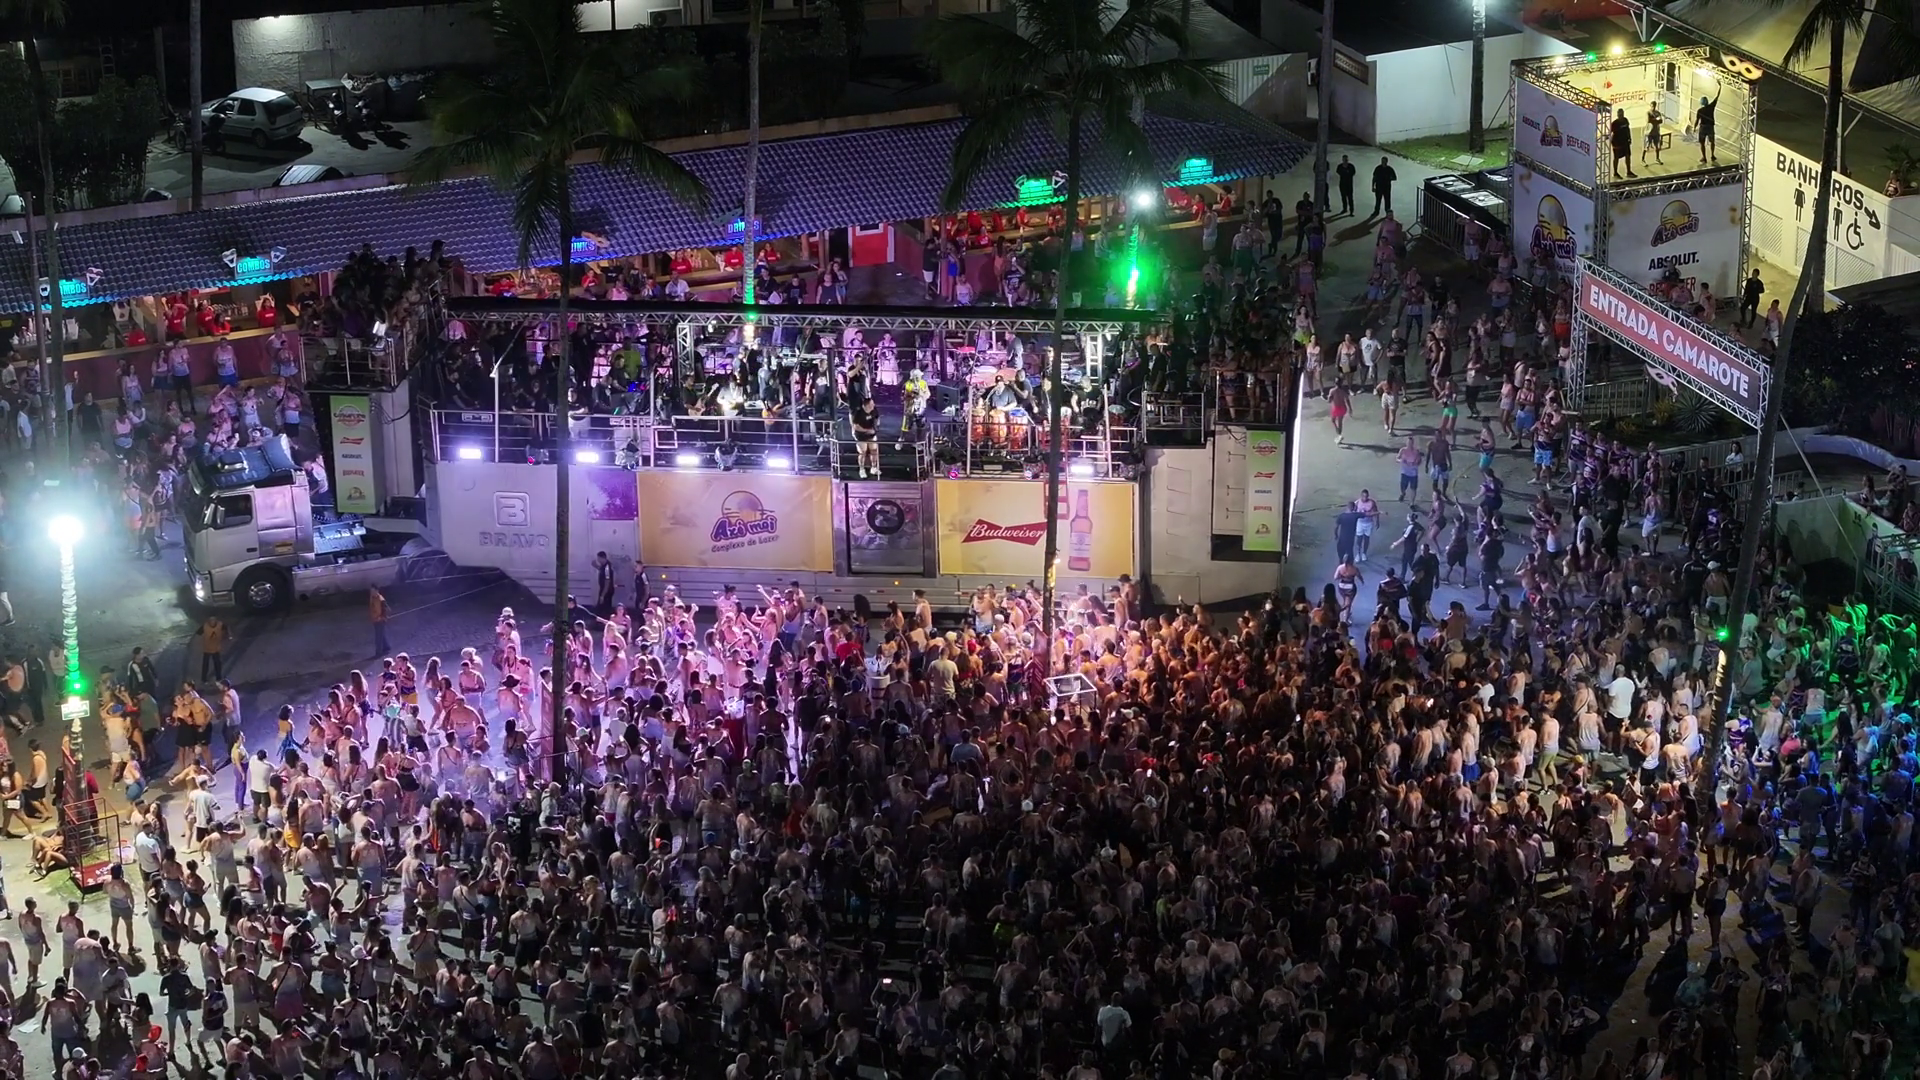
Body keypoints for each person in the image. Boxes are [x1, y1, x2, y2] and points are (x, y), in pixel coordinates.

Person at [195, 616, 229, 683]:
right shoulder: (204, 626)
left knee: (217, 664)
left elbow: (226, 628)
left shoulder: (220, 624)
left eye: (213, 620)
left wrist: (229, 635)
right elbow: (198, 634)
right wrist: (198, 645)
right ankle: (204, 679)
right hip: (207, 649)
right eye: (211, 620)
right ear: (208, 621)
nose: (212, 622)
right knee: (205, 664)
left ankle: (218, 678)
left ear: (216, 620)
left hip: (216, 648)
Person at [1697, 86, 1722, 163]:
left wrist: (1694, 127)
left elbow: (1697, 120)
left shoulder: (1700, 110)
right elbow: (1717, 97)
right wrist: (1720, 87)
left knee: (1702, 143)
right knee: (1712, 142)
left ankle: (1704, 157)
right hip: (1710, 127)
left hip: (1703, 127)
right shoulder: (1711, 107)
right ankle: (1712, 155)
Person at [1611, 108, 1636, 179]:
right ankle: (1615, 173)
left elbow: (1628, 129)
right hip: (1617, 142)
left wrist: (1629, 138)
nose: (1621, 115)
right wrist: (1612, 143)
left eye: (1622, 114)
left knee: (1628, 156)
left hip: (1625, 141)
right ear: (1617, 115)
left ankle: (1628, 172)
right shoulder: (1614, 123)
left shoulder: (1625, 120)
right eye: (1619, 114)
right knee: (1616, 157)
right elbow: (1610, 133)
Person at [369, 585, 391, 657]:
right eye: (371, 591)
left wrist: (381, 617)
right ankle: (386, 647)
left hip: (380, 620)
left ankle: (378, 652)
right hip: (375, 620)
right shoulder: (373, 597)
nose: (372, 592)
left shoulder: (380, 599)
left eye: (373, 591)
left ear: (377, 590)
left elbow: (386, 609)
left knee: (378, 637)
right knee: (381, 634)